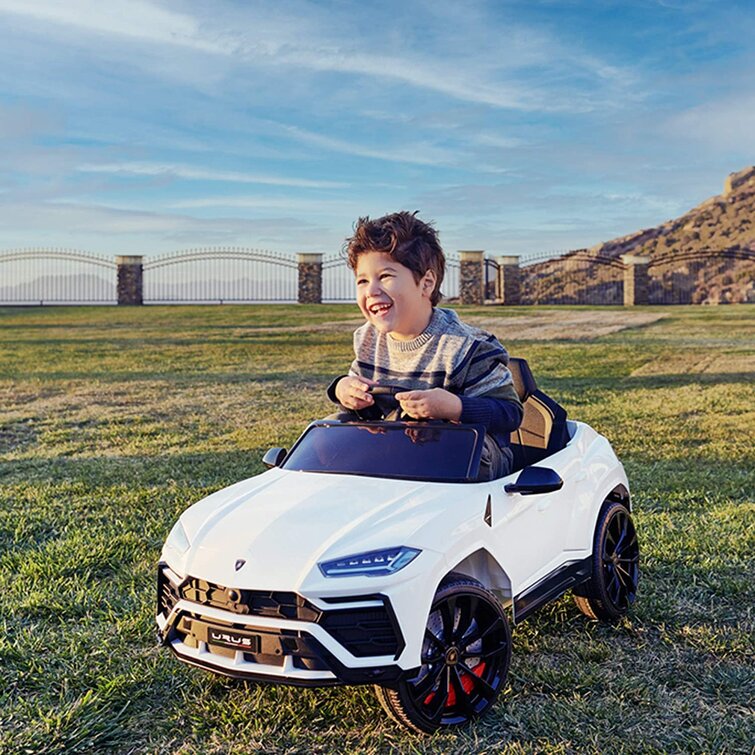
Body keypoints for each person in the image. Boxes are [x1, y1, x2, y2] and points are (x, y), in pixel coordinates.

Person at [327, 211, 523, 480]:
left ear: (426, 283)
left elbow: (509, 414)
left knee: (452, 450)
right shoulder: (367, 339)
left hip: (469, 459)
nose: (371, 290)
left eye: (385, 276)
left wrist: (454, 407)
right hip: (398, 448)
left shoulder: (468, 347)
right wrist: (344, 391)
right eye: (362, 280)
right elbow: (369, 413)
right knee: (330, 439)